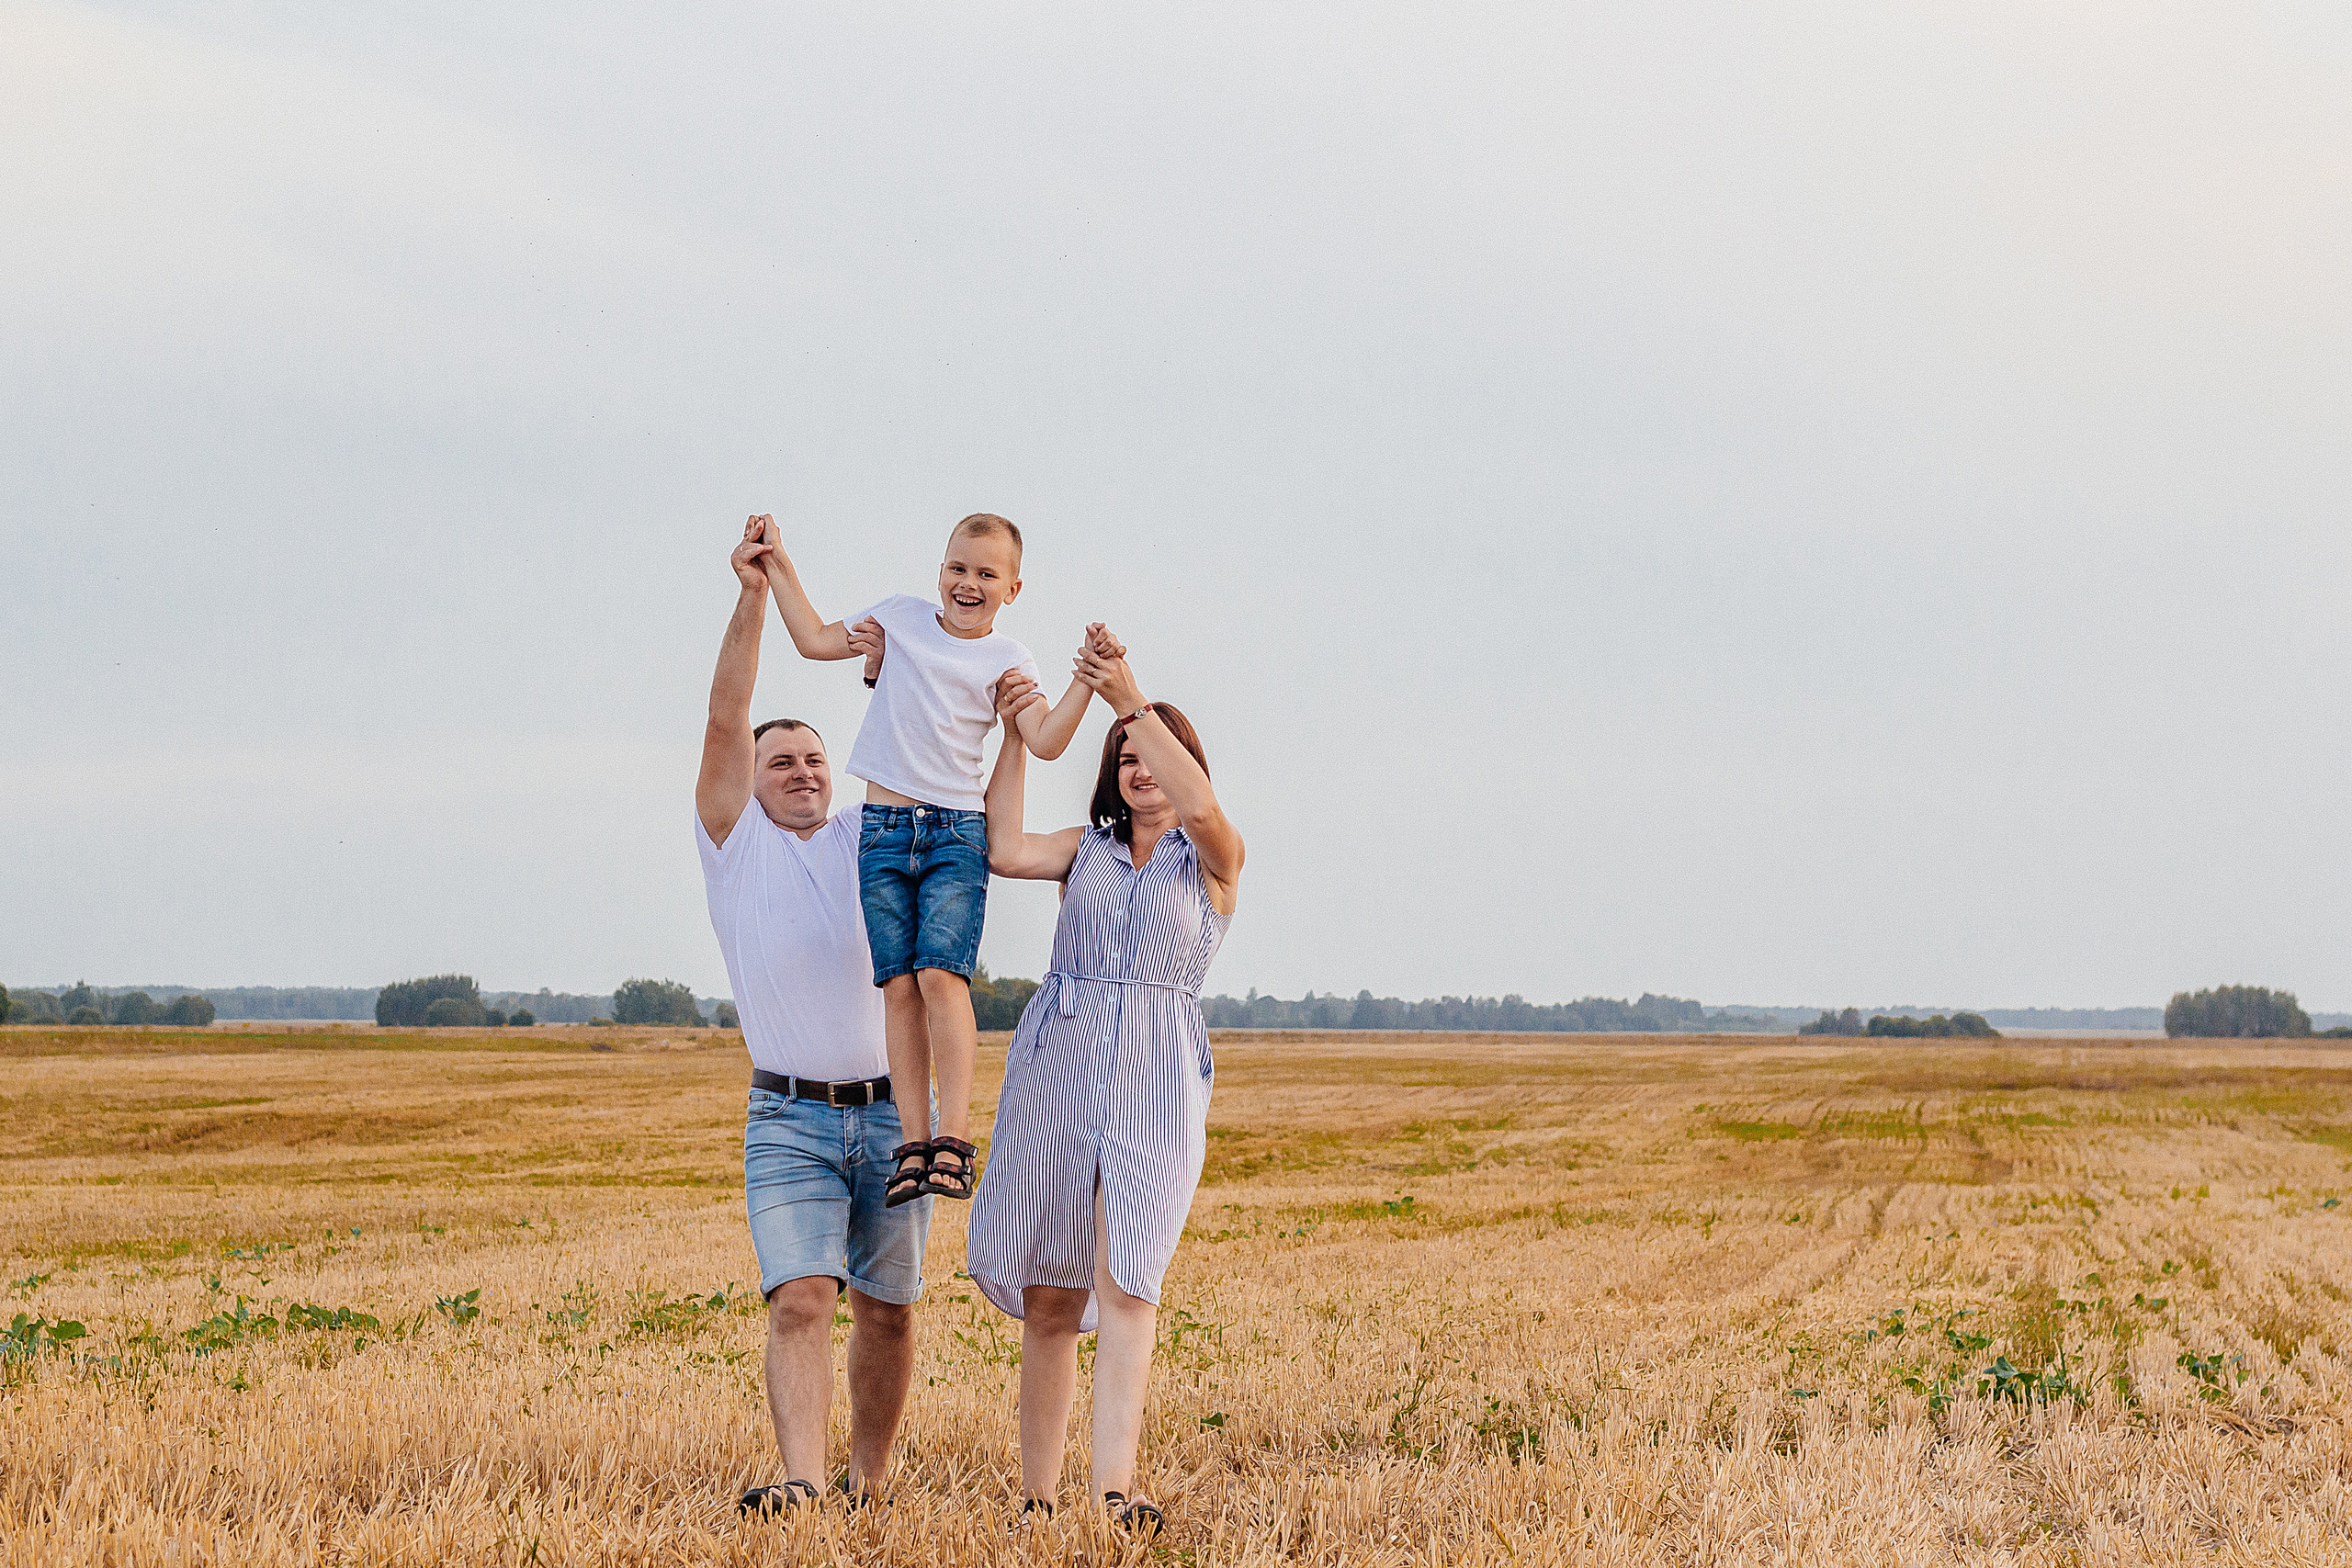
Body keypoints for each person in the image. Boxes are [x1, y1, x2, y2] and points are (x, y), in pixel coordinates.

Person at [964, 641, 1245, 1535]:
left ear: (1181, 762)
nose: (1139, 769)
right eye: (1123, 757)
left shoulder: (1212, 859)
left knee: (1129, 1281)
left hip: (1158, 1075)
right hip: (1061, 1065)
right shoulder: (1083, 851)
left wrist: (1128, 699)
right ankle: (1038, 1499)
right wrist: (1016, 737)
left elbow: (1200, 804)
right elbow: (1002, 847)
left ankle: (1116, 1493)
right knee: (1051, 1292)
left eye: (1152, 755)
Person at [750, 512, 1101, 1213]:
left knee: (942, 974)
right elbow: (815, 639)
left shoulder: (1010, 658)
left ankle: (955, 1136)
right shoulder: (900, 619)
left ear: (1014, 587)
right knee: (898, 985)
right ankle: (914, 1144)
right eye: (957, 568)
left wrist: (1087, 682)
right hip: (882, 827)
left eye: (986, 574)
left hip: (956, 832)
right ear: (940, 569)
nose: (968, 584)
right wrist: (778, 562)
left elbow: (1048, 739)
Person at [695, 519, 928, 1516]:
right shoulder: (732, 845)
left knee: (888, 1313)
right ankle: (796, 1481)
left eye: (812, 760)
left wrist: (887, 670)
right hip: (786, 1118)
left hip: (890, 1112)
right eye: (780, 760)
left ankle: (867, 1484)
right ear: (749, 780)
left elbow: (908, 755)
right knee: (801, 1298)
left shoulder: (859, 842)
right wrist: (755, 593)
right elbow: (724, 716)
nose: (800, 771)